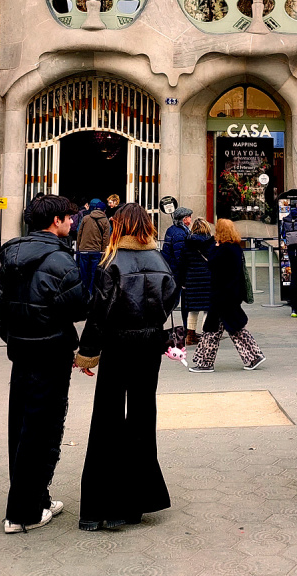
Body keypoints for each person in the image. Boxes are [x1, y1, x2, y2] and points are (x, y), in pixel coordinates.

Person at [75, 203, 178, 531]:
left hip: (118, 347)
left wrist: (87, 353)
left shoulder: (111, 261)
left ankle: (99, 508)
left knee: (106, 420)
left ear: (119, 227)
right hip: (148, 347)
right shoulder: (160, 261)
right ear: (147, 226)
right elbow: (172, 300)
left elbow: (98, 313)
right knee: (142, 419)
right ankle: (136, 503)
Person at [0, 194, 88, 534]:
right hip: (51, 353)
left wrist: (17, 338)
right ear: (56, 221)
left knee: (20, 427)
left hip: (21, 352)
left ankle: (35, 498)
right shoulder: (60, 260)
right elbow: (78, 307)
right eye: (69, 217)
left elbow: (0, 311)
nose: (73, 222)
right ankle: (25, 512)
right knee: (43, 429)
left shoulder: (11, 254)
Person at [187, 219, 265, 373]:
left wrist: (215, 248)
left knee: (214, 329)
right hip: (231, 294)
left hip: (221, 295)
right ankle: (254, 356)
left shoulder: (223, 250)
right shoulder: (235, 248)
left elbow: (212, 264)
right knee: (231, 328)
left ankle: (205, 363)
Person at [178, 218, 215, 344]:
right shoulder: (211, 244)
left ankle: (190, 335)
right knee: (207, 309)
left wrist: (183, 282)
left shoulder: (187, 243)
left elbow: (182, 264)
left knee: (193, 309)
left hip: (191, 280)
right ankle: (206, 336)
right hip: (208, 280)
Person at [75, 199, 111, 300]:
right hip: (97, 251)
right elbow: (106, 239)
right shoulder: (105, 221)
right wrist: (103, 251)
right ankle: (92, 295)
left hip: (83, 250)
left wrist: (78, 248)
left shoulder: (86, 218)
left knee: (83, 273)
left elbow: (79, 234)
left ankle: (82, 294)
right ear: (104, 211)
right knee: (94, 274)